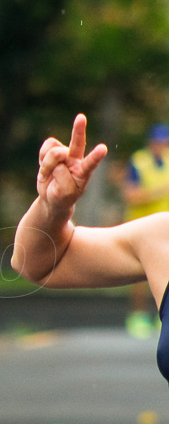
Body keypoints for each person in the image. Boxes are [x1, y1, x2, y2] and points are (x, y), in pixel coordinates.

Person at [12, 113, 169, 382]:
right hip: (142, 221)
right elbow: (38, 265)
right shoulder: (160, 234)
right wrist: (53, 208)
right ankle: (141, 317)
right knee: (142, 284)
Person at [120, 123, 169, 338]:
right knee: (140, 276)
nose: (162, 146)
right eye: (158, 142)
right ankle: (138, 316)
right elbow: (131, 194)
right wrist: (157, 192)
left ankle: (163, 317)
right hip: (140, 226)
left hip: (164, 228)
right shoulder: (139, 161)